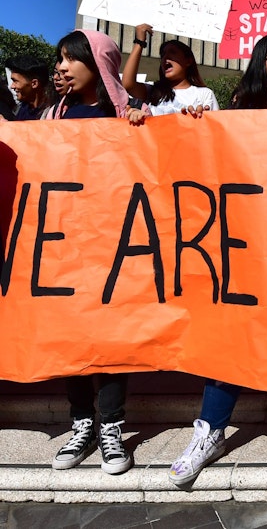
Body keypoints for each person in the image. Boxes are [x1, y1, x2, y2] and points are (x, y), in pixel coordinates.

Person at [167, 31, 267, 486]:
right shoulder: (233, 118)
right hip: (242, 250)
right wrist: (195, 122)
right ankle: (210, 432)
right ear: (262, 64)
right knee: (230, 338)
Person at [49, 29, 149, 475]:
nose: (62, 67)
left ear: (99, 62)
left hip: (113, 244)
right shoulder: (50, 117)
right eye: (60, 60)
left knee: (110, 338)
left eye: (72, 59)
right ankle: (82, 422)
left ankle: (111, 426)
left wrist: (143, 129)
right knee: (72, 336)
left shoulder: (126, 116)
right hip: (64, 245)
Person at [122, 24, 219, 116]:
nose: (166, 57)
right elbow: (128, 84)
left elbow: (215, 128)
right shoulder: (153, 91)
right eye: (163, 54)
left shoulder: (204, 94)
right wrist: (140, 42)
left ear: (188, 61)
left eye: (173, 52)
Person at [7, 55, 50, 120]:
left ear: (34, 83)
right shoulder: (20, 109)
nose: (12, 86)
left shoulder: (52, 114)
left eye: (15, 81)